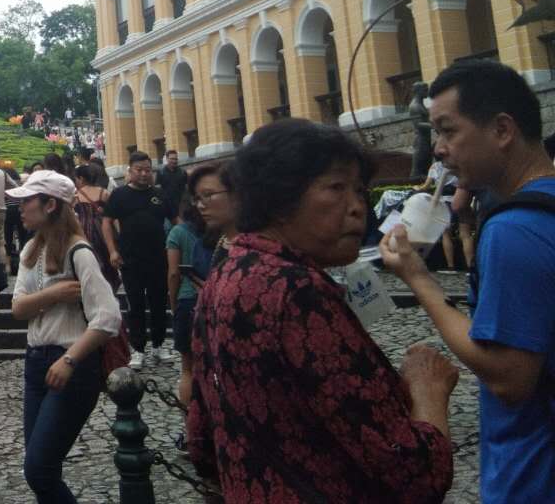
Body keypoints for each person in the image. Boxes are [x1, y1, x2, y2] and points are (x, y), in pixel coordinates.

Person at [187, 119, 456, 501]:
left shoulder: (225, 273)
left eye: (359, 190)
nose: (357, 207)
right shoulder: (297, 291)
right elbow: (412, 470)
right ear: (279, 198)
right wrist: (428, 389)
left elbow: (201, 439)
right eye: (336, 188)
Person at [379, 61, 555, 503]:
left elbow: (509, 377)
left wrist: (418, 278)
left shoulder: (513, 229)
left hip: (532, 476)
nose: (438, 148)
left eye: (447, 130)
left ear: (501, 130)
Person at [10, 171, 121, 504]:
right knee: (42, 469)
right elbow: (18, 307)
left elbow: (108, 317)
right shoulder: (31, 249)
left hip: (71, 365)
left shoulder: (80, 252)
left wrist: (70, 359)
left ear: (50, 205)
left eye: (27, 200)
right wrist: (55, 294)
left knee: (39, 469)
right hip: (36, 364)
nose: (21, 207)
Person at [102, 151, 170, 368]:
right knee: (136, 304)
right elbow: (106, 223)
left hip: (159, 258)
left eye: (147, 170)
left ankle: (159, 345)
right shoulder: (120, 195)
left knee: (159, 302)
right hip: (130, 259)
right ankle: (138, 348)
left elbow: (176, 220)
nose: (143, 174)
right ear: (129, 172)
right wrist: (113, 250)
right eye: (139, 170)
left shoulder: (160, 194)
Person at [166, 166, 220, 409]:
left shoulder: (177, 232)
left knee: (187, 369)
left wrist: (173, 301)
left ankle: (190, 427)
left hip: (188, 300)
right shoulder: (216, 231)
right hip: (215, 300)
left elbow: (174, 272)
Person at [155, 150, 188, 217]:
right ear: (167, 159)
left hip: (181, 206)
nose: (174, 161)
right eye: (172, 159)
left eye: (176, 159)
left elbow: (187, 188)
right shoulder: (161, 173)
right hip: (167, 207)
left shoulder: (183, 172)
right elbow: (157, 190)